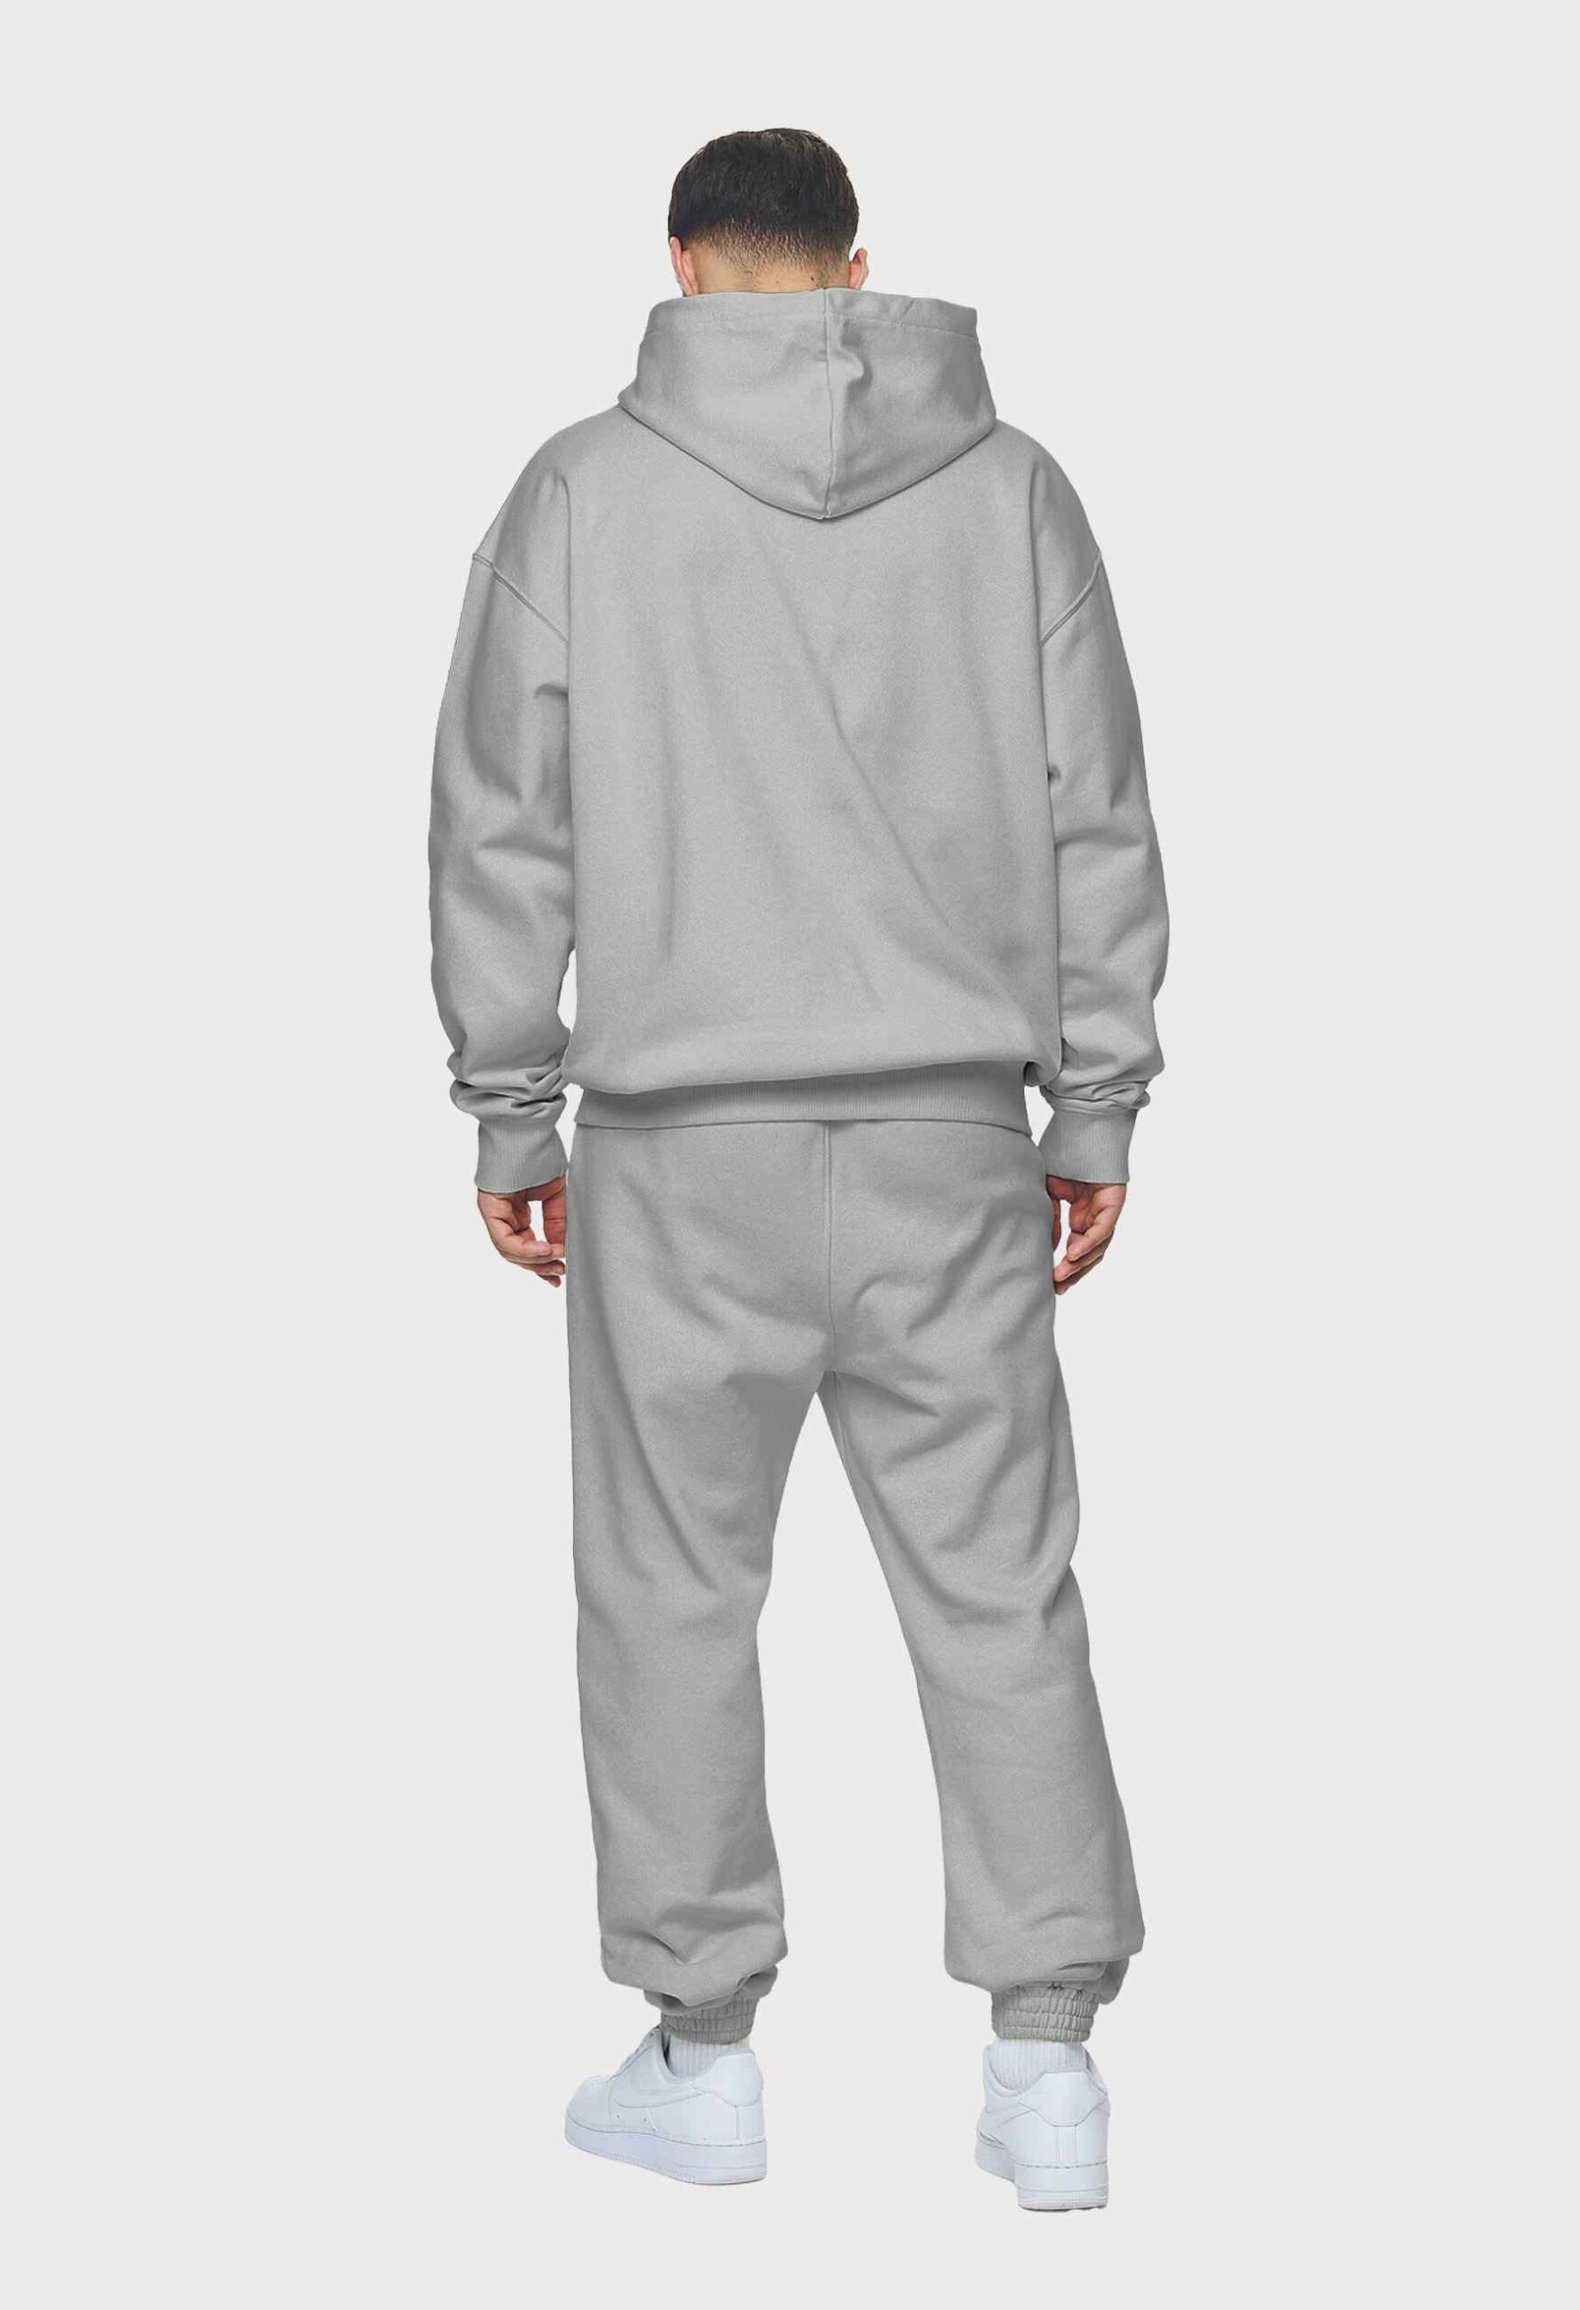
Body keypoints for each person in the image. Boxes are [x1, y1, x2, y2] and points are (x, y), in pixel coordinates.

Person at [429, 126, 1167, 2210]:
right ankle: (1047, 2067)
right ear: (856, 267)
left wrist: (511, 1105)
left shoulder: (582, 489)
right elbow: (1096, 811)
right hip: (950, 1146)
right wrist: (1094, 1106)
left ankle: (701, 2051)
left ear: (678, 263)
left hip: (678, 1154)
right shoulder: (1013, 491)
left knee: (672, 1593)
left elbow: (500, 820)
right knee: (1000, 1588)